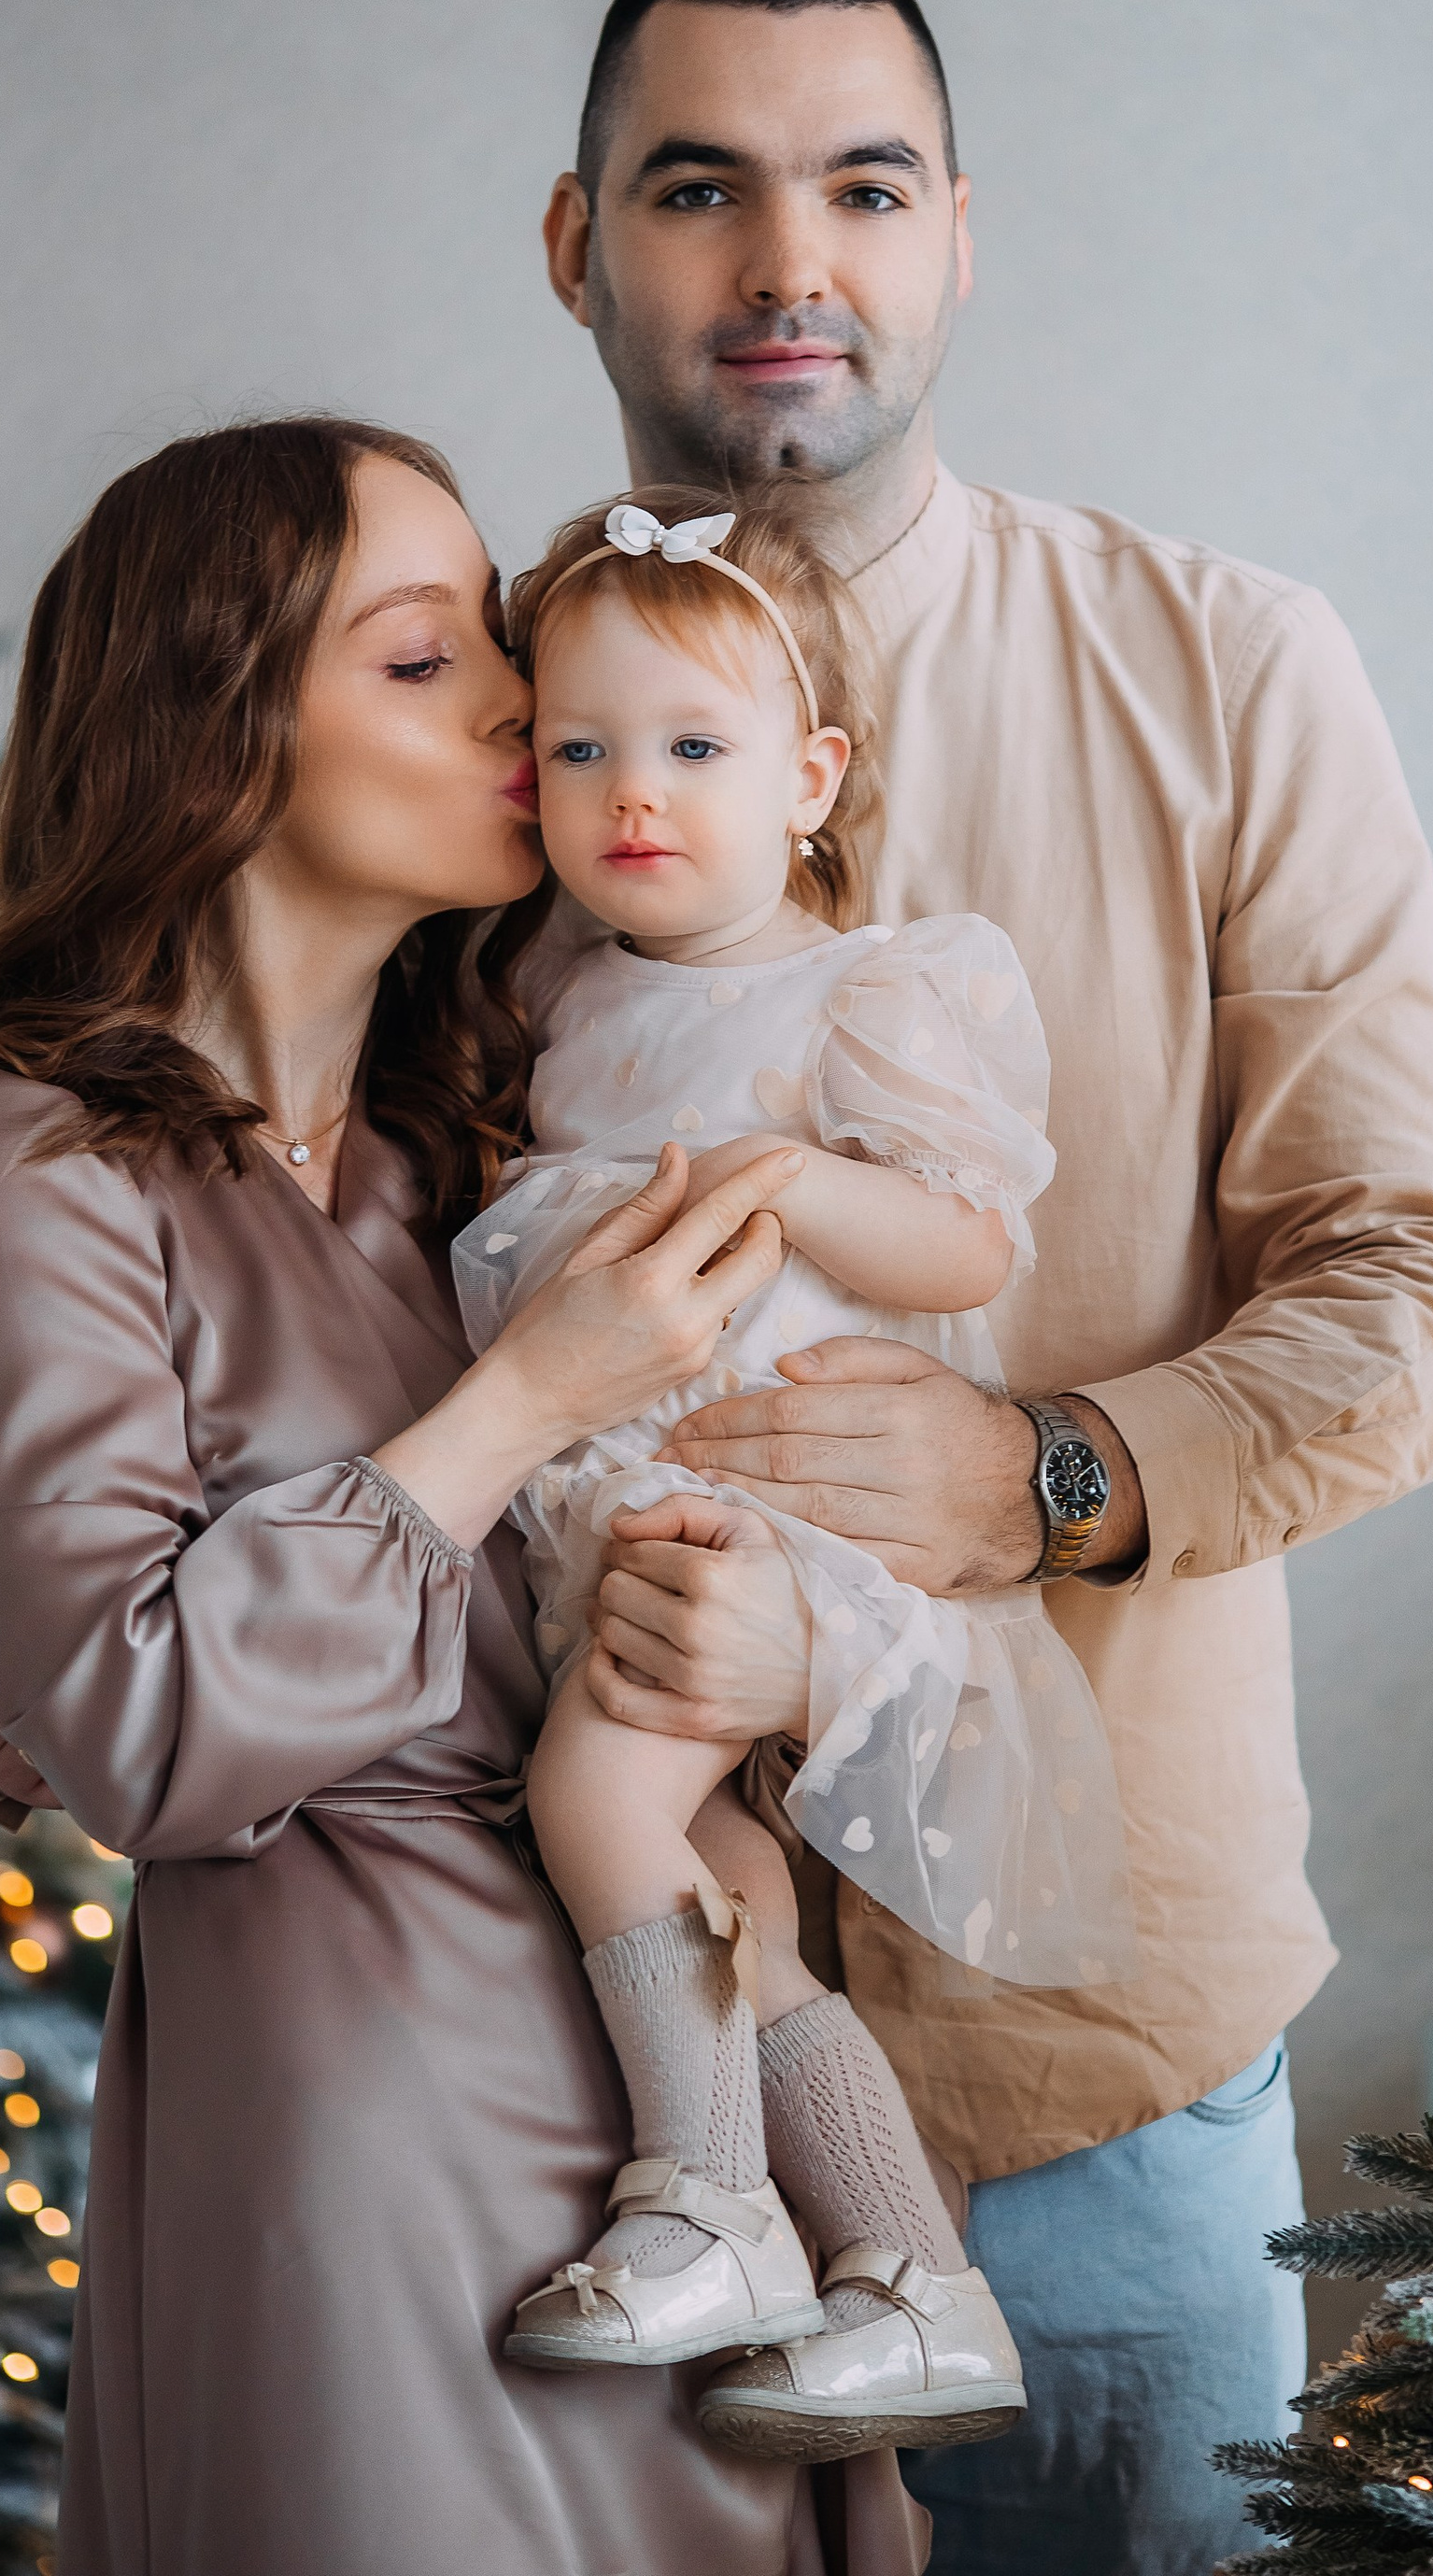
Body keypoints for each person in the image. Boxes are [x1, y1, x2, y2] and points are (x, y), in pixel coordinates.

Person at [538, 0, 1433, 2576]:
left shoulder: (1228, 672)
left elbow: (1430, 1288)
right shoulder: (463, 715)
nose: (787, 265)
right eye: (699, 189)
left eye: (861, 186)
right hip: (593, 2107)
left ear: (959, 235)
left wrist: (1045, 1467)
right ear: (576, 244)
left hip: (1113, 2089)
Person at [0, 419, 923, 2576]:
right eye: (424, 664)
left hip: (676, 2088)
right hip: (357, 2103)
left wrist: (785, 1639)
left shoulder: (471, 1151)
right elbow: (140, 1736)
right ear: (216, 731)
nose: (523, 710)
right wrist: (519, 1403)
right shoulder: (16, 1156)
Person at [463, 487, 1121, 2457]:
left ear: (810, 774)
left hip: (773, 1512)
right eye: (574, 750)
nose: (626, 795)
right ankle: (917, 2287)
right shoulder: (566, 999)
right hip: (629, 1510)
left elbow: (972, 1247)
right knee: (728, 1882)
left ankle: (704, 2203)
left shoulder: (864, 991)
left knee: (587, 1793)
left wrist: (803, 1178)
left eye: (688, 748)